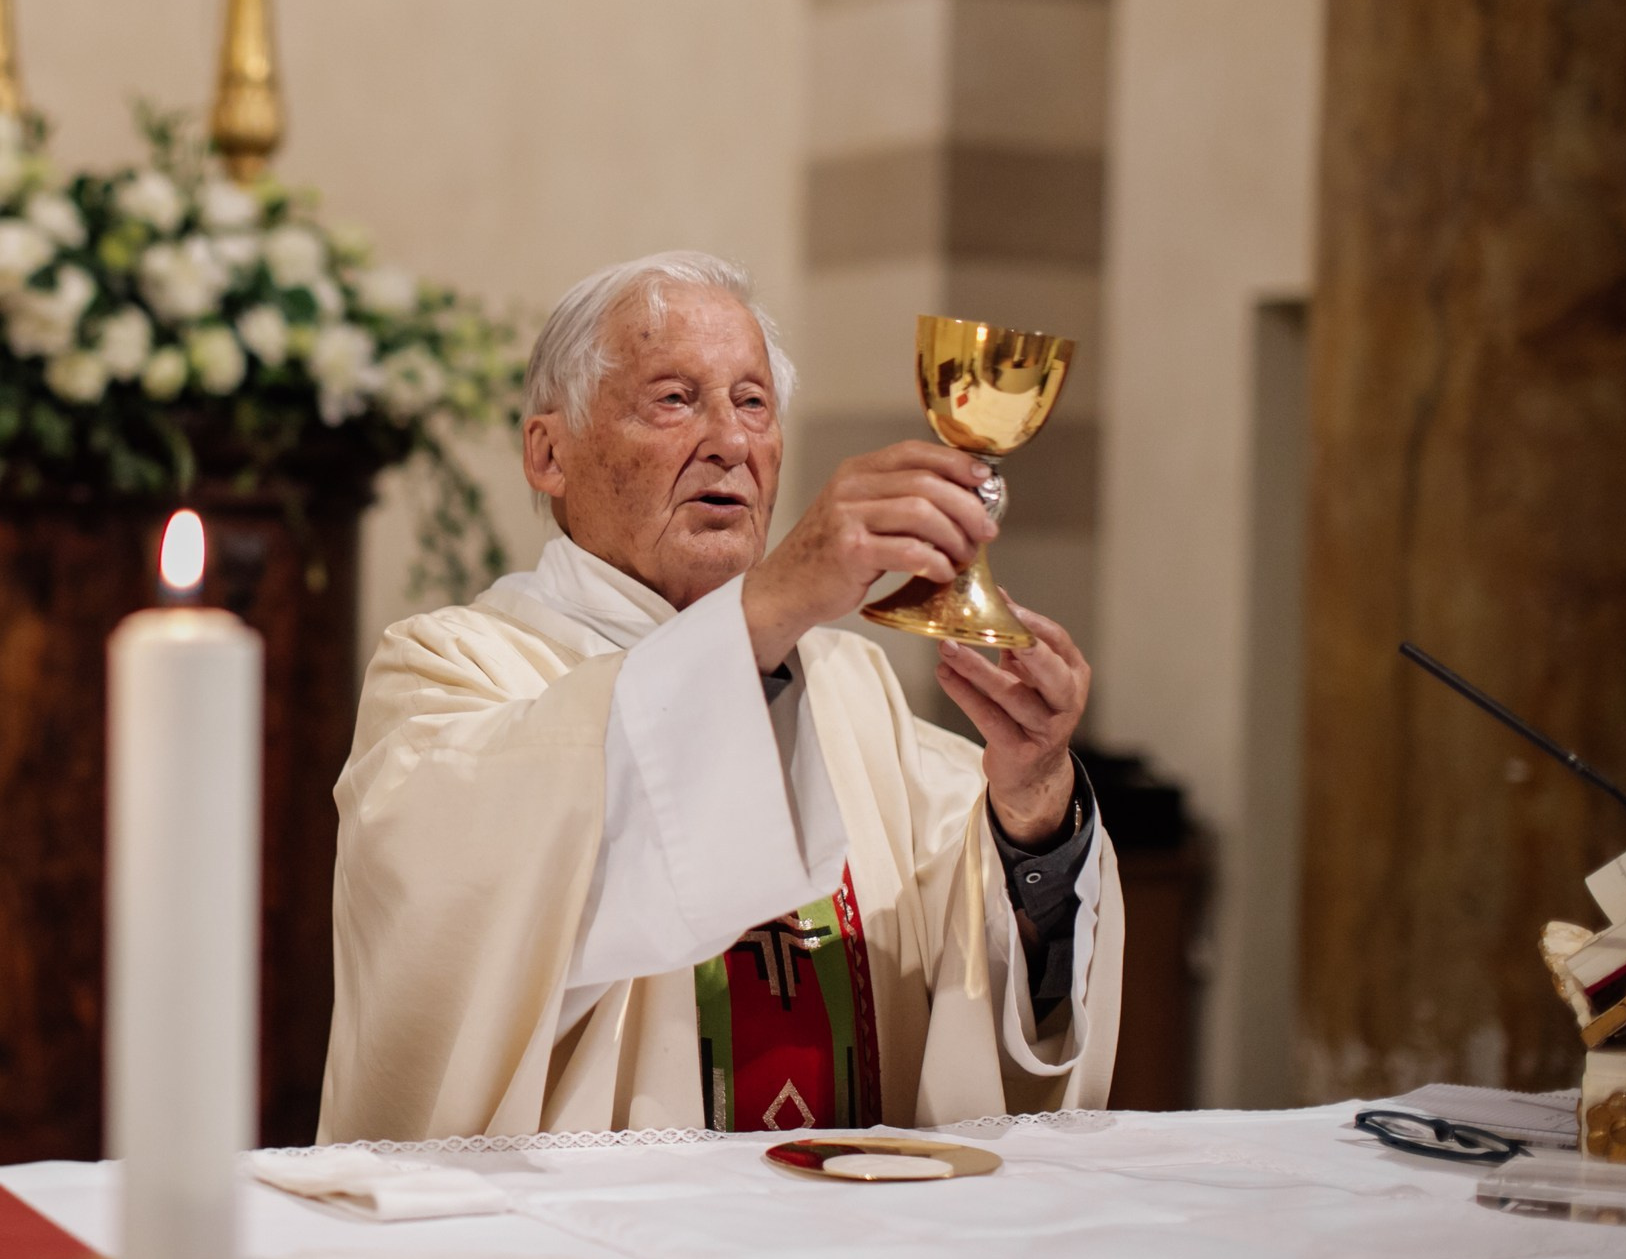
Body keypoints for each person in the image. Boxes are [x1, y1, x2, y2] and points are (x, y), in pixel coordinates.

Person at [319, 252, 1120, 1143]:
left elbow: (986, 974)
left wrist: (1033, 804)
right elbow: (468, 947)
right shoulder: (448, 672)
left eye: (752, 403)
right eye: (674, 398)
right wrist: (773, 600)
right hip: (593, 1223)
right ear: (548, 453)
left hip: (846, 1217)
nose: (731, 442)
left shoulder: (853, 689)